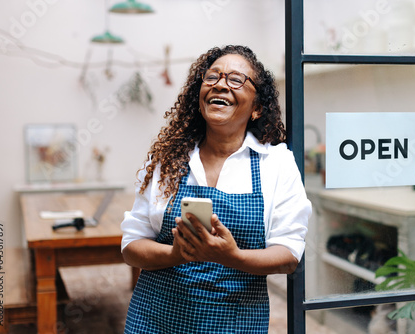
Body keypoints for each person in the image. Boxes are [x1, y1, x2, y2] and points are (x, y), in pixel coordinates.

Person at [121, 45, 311, 333]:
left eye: (236, 79)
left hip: (235, 324)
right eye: (211, 78)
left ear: (257, 107)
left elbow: (288, 254)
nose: (220, 84)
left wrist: (231, 257)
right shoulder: (167, 159)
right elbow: (131, 247)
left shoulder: (277, 163)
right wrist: (176, 254)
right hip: (155, 319)